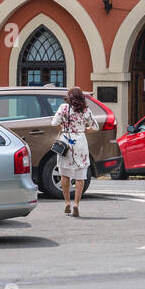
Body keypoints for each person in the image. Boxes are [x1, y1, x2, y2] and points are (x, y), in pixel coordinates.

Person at [51, 86, 98, 217]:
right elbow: (95, 127)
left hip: (65, 141)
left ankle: (67, 202)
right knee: (80, 175)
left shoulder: (63, 108)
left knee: (64, 174)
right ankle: (76, 203)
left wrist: (63, 127)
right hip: (80, 142)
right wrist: (82, 129)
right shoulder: (85, 111)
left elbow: (54, 123)